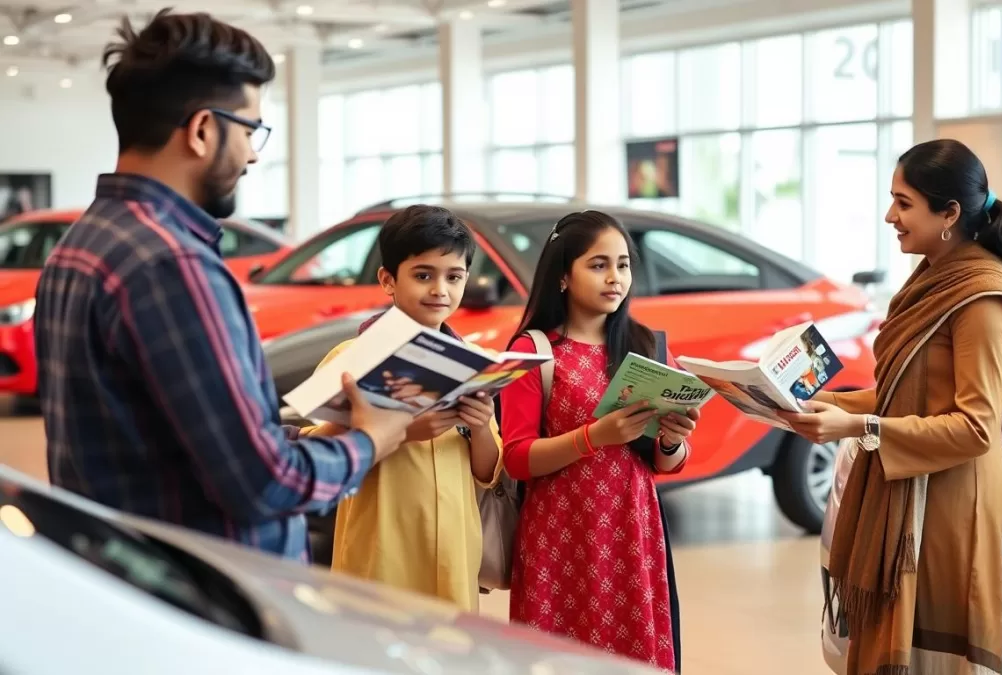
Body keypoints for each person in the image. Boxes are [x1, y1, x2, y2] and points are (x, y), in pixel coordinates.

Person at [32, 10, 412, 562]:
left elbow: (171, 442)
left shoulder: (81, 245)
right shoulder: (172, 264)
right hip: (209, 597)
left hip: (128, 578)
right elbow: (263, 485)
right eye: (251, 129)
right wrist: (371, 440)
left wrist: (312, 441)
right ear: (204, 130)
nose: (255, 153)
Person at [781, 139, 1002, 675]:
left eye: (903, 203)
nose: (889, 216)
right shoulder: (931, 278)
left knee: (930, 657)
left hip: (944, 508)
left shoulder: (982, 300)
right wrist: (810, 398)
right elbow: (904, 389)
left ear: (949, 213)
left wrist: (855, 424)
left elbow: (974, 428)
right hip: (911, 490)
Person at [498, 210, 699, 672]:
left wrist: (672, 440)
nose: (615, 278)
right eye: (598, 265)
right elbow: (517, 458)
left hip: (632, 528)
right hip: (559, 534)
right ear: (563, 275)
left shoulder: (647, 346)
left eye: (624, 264)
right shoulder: (532, 352)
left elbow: (665, 463)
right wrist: (594, 437)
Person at [303, 205, 503, 612]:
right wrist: (400, 430)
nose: (440, 290)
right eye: (423, 275)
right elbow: (316, 449)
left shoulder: (475, 362)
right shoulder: (353, 358)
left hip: (453, 551)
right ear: (388, 280)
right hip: (381, 550)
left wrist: (481, 428)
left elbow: (488, 472)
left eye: (454, 276)